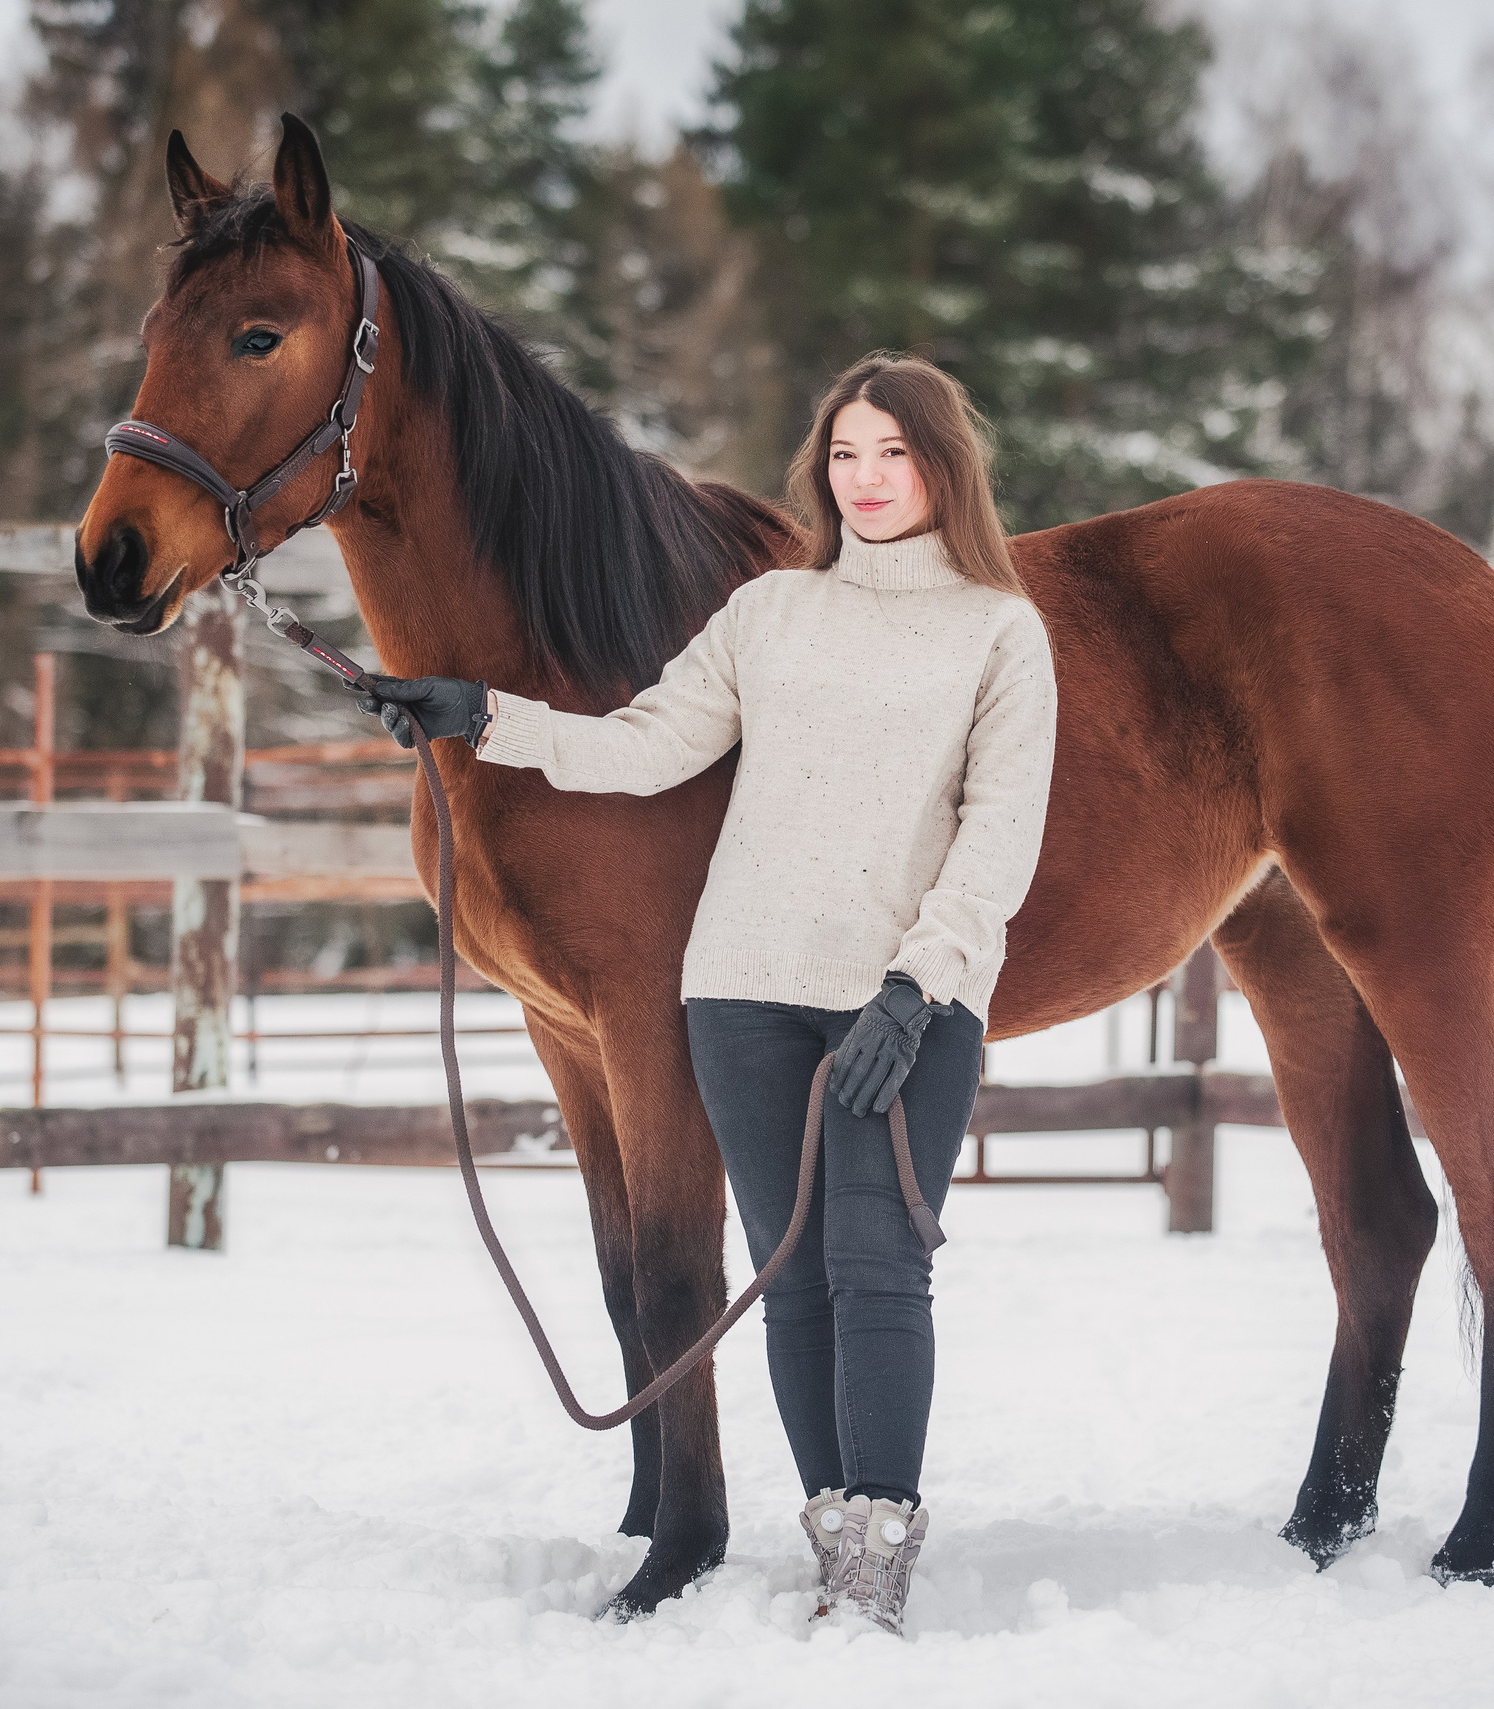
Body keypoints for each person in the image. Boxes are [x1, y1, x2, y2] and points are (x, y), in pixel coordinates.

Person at [358, 353, 1058, 1635]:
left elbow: (998, 833)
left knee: (878, 1265)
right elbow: (646, 746)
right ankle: (830, 1529)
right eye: (845, 455)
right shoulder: (769, 611)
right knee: (792, 1277)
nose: (867, 479)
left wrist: (918, 986)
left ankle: (877, 1557)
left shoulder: (998, 631)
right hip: (740, 992)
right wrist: (483, 716)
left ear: (943, 469)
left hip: (898, 998)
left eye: (894, 454)